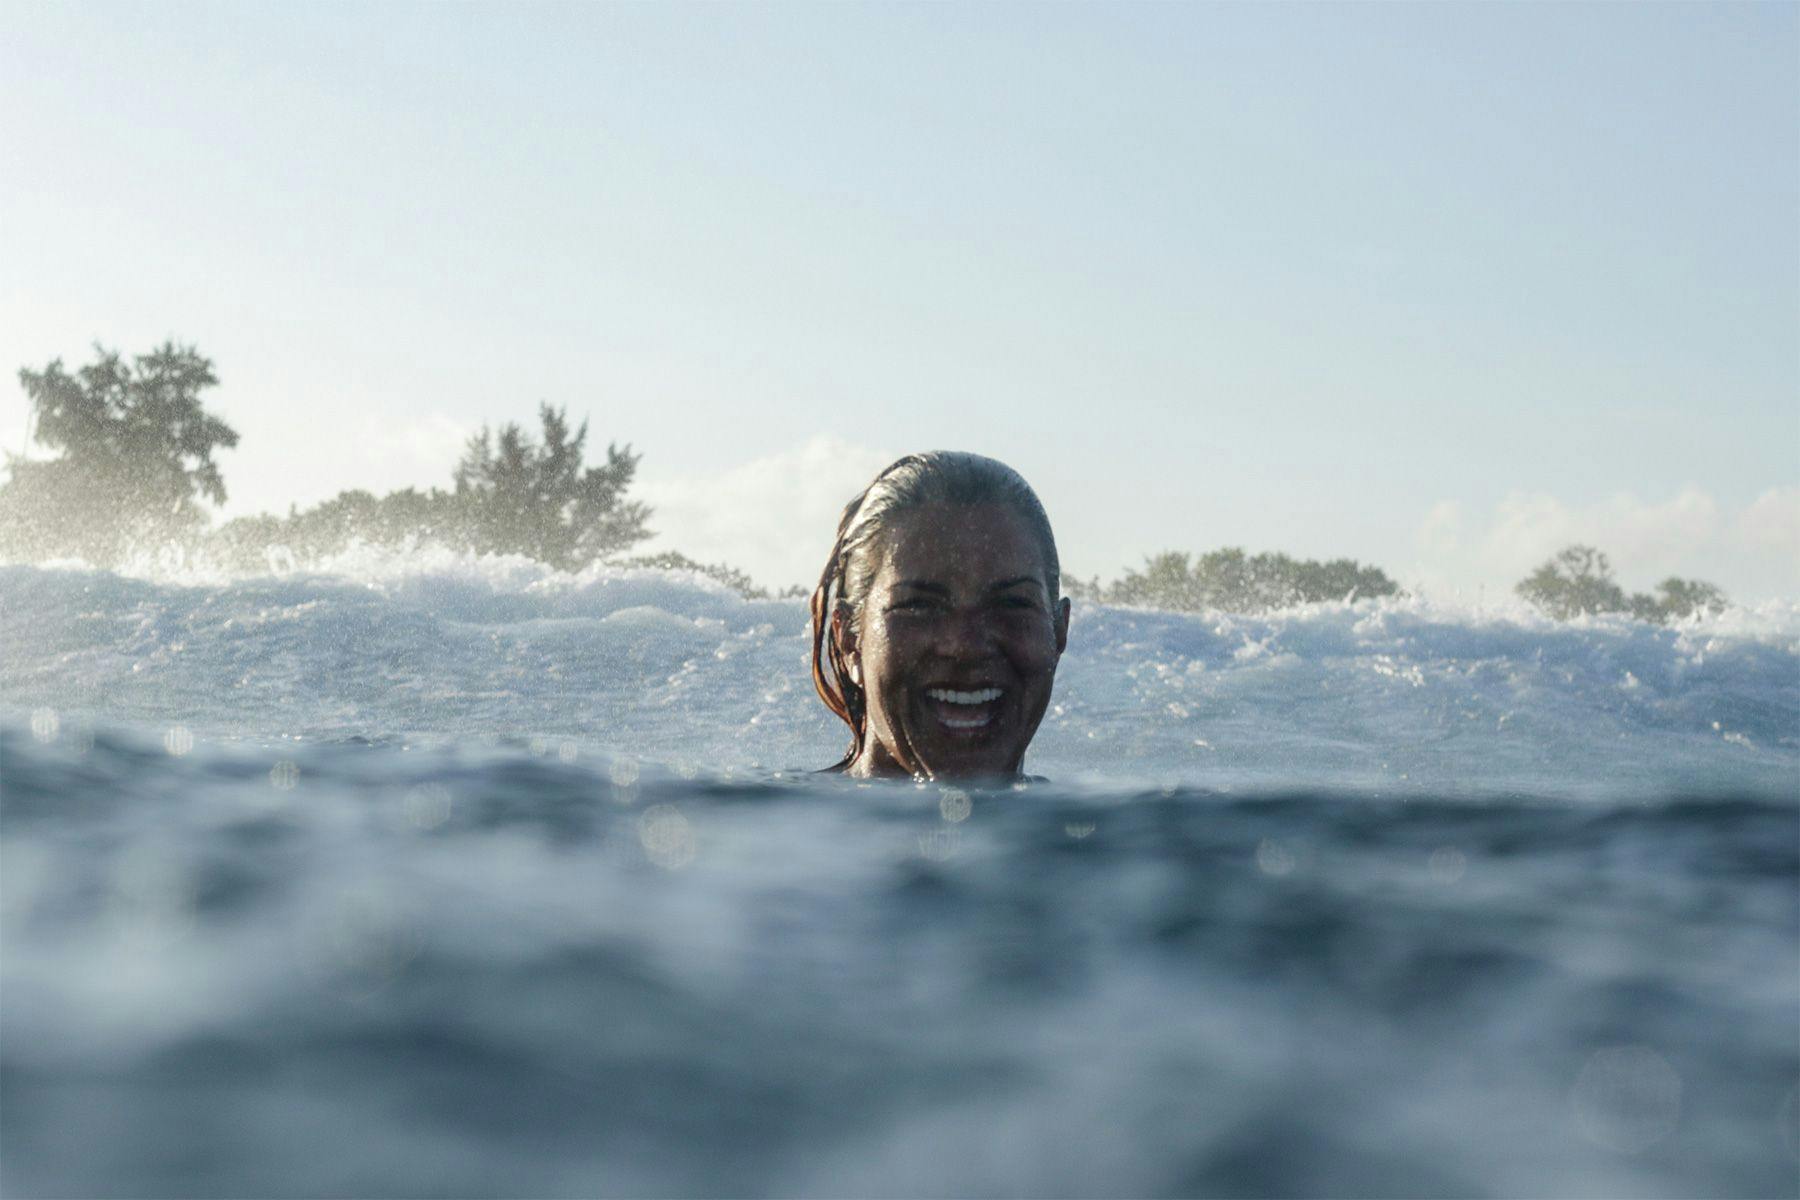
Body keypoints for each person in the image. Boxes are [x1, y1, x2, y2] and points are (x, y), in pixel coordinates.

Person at [809, 452, 1071, 780]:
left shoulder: (1091, 830)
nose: (965, 646)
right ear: (848, 639)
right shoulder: (776, 826)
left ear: (1058, 632)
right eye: (919, 606)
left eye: (1012, 604)